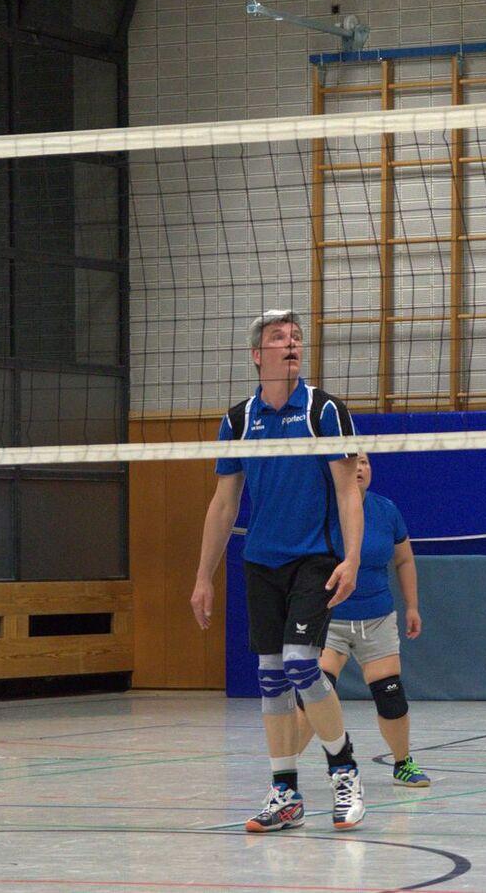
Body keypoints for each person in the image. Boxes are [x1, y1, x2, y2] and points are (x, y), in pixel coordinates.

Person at [189, 309, 366, 832]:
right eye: (278, 337)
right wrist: (203, 576)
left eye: (296, 337)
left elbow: (348, 490)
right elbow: (224, 503)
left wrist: (352, 558)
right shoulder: (238, 420)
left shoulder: (324, 410)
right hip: (261, 560)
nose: (290, 343)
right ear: (256, 354)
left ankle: (344, 771)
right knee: (270, 677)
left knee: (300, 664)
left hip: (315, 557)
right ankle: (285, 793)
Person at [292, 451, 430, 788]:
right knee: (314, 691)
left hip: (377, 617)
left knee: (390, 693)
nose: (359, 468)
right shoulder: (320, 509)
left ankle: (403, 763)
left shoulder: (387, 510)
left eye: (365, 462)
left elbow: (404, 561)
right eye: (353, 462)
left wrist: (412, 606)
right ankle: (284, 772)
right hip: (329, 619)